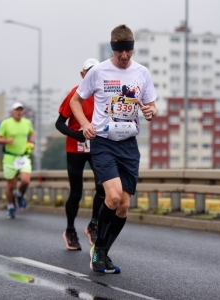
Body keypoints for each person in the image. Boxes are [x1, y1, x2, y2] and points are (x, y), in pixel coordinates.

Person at [70, 24, 157, 274]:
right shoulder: (98, 72)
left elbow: (151, 106)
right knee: (114, 196)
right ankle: (98, 248)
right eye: (120, 52)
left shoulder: (142, 72)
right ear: (113, 48)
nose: (125, 56)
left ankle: (104, 251)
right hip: (104, 142)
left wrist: (151, 111)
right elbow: (76, 100)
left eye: (128, 51)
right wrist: (85, 124)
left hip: (129, 144)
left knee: (124, 206)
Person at [55, 58, 105, 251]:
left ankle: (93, 224)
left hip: (98, 146)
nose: (92, 75)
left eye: (96, 71)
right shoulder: (75, 94)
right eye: (89, 72)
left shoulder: (104, 94)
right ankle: (70, 230)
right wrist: (76, 134)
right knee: (76, 192)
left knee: (102, 186)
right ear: (83, 74)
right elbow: (59, 123)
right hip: (75, 147)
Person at [0, 102, 35, 219]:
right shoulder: (6, 123)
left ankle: (19, 194)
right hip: (10, 157)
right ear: (12, 112)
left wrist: (31, 142)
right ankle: (10, 205)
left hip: (23, 157)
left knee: (26, 180)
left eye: (21, 110)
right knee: (11, 185)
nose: (19, 112)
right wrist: (6, 141)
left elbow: (31, 134)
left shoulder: (27, 123)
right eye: (17, 110)